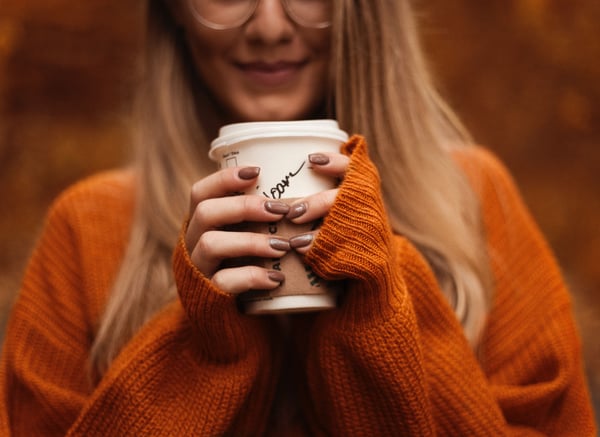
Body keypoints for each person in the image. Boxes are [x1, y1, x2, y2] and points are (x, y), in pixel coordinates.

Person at [0, 0, 596, 434]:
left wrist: (382, 303)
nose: (269, 27)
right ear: (173, 11)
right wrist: (199, 352)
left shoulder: (474, 199)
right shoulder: (87, 226)